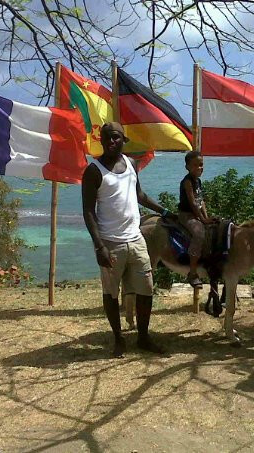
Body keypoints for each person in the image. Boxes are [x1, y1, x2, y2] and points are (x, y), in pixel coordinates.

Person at [81, 122, 174, 358]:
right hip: (110, 243)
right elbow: (88, 212)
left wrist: (164, 211)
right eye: (106, 138)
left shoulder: (132, 164)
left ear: (124, 140)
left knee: (146, 290)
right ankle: (118, 338)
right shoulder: (94, 171)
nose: (111, 141)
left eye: (115, 137)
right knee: (111, 293)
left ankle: (143, 337)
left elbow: (139, 195)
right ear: (101, 141)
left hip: (136, 239)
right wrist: (99, 246)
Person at [178, 151, 214, 288]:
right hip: (186, 215)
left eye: (201, 165)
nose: (199, 168)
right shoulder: (187, 182)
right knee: (198, 233)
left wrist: (206, 217)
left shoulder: (198, 181)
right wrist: (202, 221)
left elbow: (201, 201)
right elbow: (193, 203)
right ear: (187, 167)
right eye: (195, 165)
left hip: (196, 214)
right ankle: (192, 272)